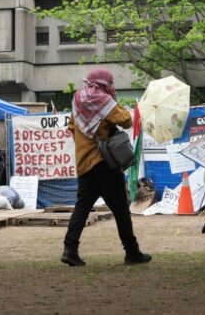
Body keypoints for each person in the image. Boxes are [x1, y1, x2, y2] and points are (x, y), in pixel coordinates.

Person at [61, 68, 152, 267]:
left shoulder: (78, 100)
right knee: (120, 209)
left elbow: (71, 127)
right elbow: (127, 121)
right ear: (106, 84)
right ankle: (132, 252)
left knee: (82, 208)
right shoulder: (104, 101)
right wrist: (112, 101)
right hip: (105, 164)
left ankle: (70, 249)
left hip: (84, 164)